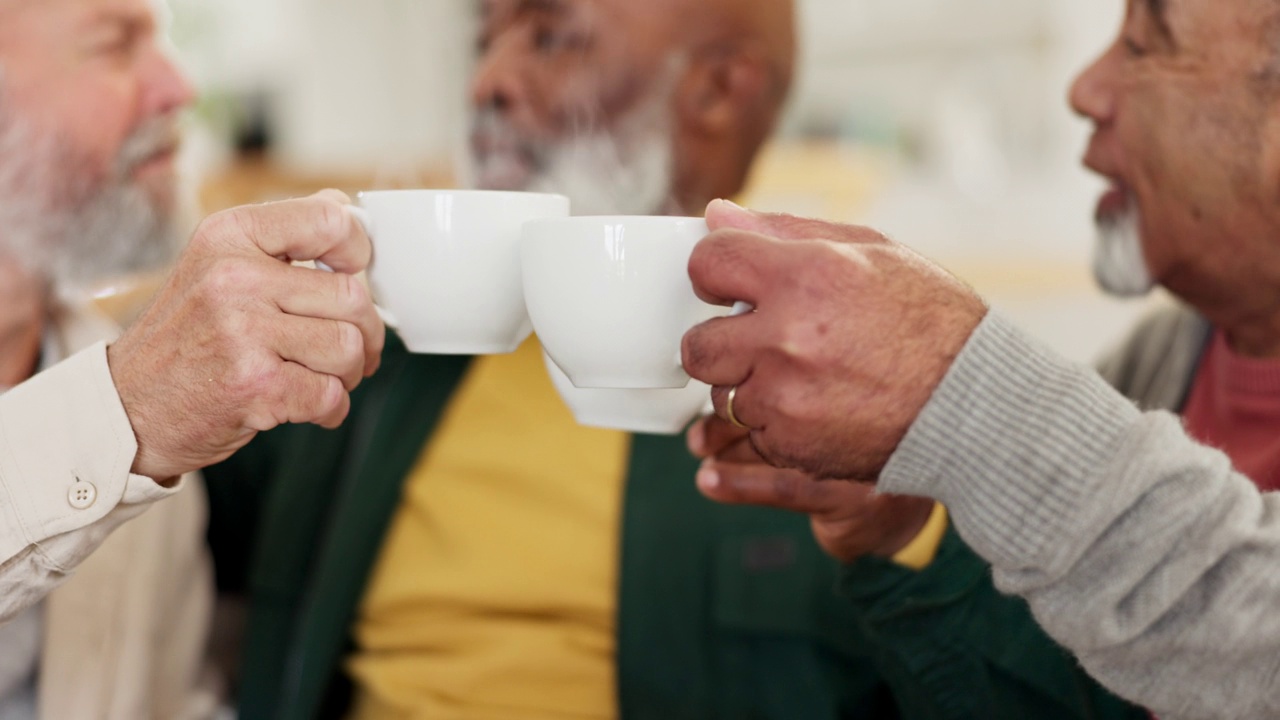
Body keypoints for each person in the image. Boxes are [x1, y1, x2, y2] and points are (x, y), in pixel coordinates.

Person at [206, 2, 1140, 719]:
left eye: (553, 37)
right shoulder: (363, 365)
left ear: (718, 91)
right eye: (482, 38)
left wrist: (901, 538)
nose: (486, 79)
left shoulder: (871, 393)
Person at [681, 0, 1280, 717]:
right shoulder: (1159, 364)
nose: (1084, 89)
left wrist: (958, 389)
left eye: (1146, 45)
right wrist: (909, 532)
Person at [0, 0, 383, 716]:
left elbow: (169, 700)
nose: (181, 86)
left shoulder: (120, 370)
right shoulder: (142, 393)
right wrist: (130, 411)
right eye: (116, 45)